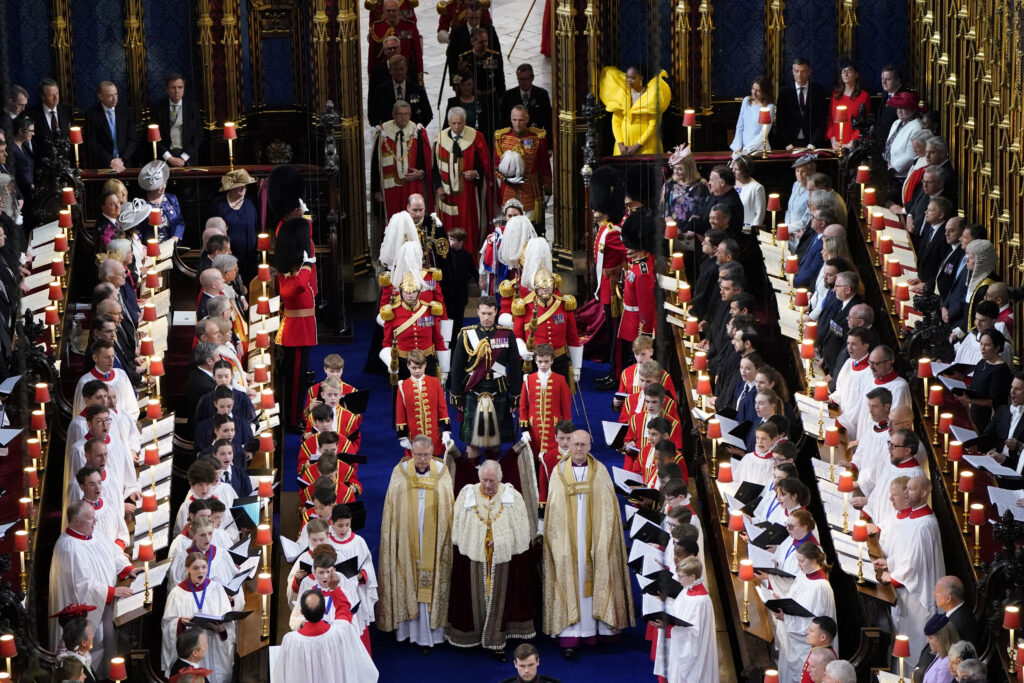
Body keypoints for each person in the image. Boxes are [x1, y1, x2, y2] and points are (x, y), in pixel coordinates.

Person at [542, 430, 634, 659]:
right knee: (569, 576)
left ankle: (598, 630)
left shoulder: (600, 471)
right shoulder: (559, 472)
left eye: (583, 444)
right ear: (569, 445)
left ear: (590, 446)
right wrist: (559, 540)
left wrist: (602, 539)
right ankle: (571, 633)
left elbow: (609, 509)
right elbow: (554, 510)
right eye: (575, 444)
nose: (579, 449)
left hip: (595, 539)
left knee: (597, 572)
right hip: (568, 539)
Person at [447, 459, 534, 657]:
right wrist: (475, 542)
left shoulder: (513, 496)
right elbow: (458, 529)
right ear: (479, 478)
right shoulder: (467, 494)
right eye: (485, 480)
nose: (488, 485)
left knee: (499, 598)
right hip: (474, 560)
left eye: (492, 481)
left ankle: (497, 639)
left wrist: (501, 542)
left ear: (500, 479)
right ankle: (473, 636)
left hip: (503, 562)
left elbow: (522, 533)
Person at [377, 435, 455, 653]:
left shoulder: (441, 472)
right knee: (409, 577)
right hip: (407, 537)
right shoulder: (400, 473)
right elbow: (392, 507)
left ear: (432, 453)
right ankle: (409, 632)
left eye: (426, 455)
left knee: (432, 579)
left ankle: (433, 632)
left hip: (434, 536)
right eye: (418, 455)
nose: (422, 459)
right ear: (411, 453)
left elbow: (448, 505)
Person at [49, 501, 138, 680]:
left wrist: (127, 569)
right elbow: (82, 586)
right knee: (93, 646)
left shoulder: (92, 532)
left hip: (105, 600)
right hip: (88, 610)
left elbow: (112, 552)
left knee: (108, 646)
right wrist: (112, 592)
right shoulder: (69, 548)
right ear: (75, 521)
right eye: (90, 519)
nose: (95, 522)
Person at [875, 476, 944, 659]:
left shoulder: (925, 524)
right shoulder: (914, 518)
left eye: (911, 489)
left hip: (916, 594)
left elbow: (916, 563)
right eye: (906, 489)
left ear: (923, 493)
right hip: (906, 590)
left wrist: (895, 577)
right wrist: (890, 563)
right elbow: (907, 551)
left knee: (911, 647)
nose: (906, 493)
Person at [449, 296, 523, 457]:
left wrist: (515, 397)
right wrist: (456, 395)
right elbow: (457, 367)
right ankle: (472, 477)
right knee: (472, 443)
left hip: (499, 389)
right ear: (477, 312)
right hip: (472, 389)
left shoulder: (507, 334)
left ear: (496, 312)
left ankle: (492, 476)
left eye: (490, 313)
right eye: (483, 313)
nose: (486, 317)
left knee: (494, 442)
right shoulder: (467, 334)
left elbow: (516, 368)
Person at [161, 552, 236, 683]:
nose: (200, 571)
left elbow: (228, 620)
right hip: (192, 649)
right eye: (196, 568)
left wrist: (222, 629)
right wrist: (179, 622)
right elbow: (167, 624)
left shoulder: (216, 589)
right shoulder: (177, 593)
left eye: (204, 567)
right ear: (188, 569)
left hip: (213, 644)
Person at [273, 590, 378, 682]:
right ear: (324, 610)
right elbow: (344, 612)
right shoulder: (338, 633)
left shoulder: (290, 640)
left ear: (302, 612)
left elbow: (280, 676)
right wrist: (334, 588)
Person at [772, 544, 836, 683]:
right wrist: (781, 600)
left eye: (801, 561)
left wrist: (786, 618)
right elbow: (794, 598)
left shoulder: (820, 587)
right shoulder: (804, 574)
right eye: (798, 560)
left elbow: (814, 625)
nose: (798, 564)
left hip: (804, 647)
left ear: (813, 560)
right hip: (792, 639)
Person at [276, 218, 318, 429]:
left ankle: (296, 415)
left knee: (299, 380)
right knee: (295, 382)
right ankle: (292, 421)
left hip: (303, 331)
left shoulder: (294, 270)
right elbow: (299, 286)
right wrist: (308, 264)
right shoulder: (289, 276)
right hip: (296, 333)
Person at [433, 106, 491, 255]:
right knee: (447, 229)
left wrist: (475, 173)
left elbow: (485, 165)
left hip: (468, 194)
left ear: (465, 122)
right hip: (447, 196)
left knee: (468, 226)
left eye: (460, 123)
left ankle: (469, 258)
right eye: (453, 123)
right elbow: (434, 169)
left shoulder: (476, 138)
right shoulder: (440, 140)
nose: (457, 127)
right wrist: (438, 187)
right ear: (448, 123)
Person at [494, 105, 552, 231]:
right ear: (510, 119)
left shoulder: (538, 138)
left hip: (531, 190)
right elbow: (495, 166)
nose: (517, 124)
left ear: (527, 119)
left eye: (521, 120)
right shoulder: (501, 138)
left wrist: (547, 189)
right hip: (508, 190)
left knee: (530, 227)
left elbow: (545, 166)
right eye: (514, 120)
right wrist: (505, 179)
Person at [372, 101, 433, 220]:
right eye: (400, 114)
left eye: (406, 114)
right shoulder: (383, 133)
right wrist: (376, 191)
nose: (403, 117)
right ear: (393, 115)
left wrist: (421, 173)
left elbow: (427, 160)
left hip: (413, 186)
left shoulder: (417, 132)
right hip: (390, 190)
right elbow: (376, 164)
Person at [598, 64, 671, 155]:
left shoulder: (651, 95)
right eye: (627, 77)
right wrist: (620, 145)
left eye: (633, 78)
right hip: (623, 148)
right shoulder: (622, 94)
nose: (629, 80)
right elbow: (616, 122)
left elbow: (654, 125)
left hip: (647, 147)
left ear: (641, 78)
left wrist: (637, 146)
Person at [395, 349, 452, 456]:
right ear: (408, 366)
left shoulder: (435, 382)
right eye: (414, 368)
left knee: (436, 465)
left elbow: (442, 408)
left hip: (434, 435)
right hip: (414, 436)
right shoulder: (402, 386)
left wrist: (445, 431)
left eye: (420, 367)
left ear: (425, 365)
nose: (417, 371)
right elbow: (400, 412)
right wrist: (402, 437)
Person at [518, 343, 572, 454]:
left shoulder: (560, 380)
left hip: (554, 429)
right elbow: (523, 406)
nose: (543, 365)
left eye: (546, 361)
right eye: (540, 361)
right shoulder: (528, 380)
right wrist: (524, 429)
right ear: (535, 361)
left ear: (552, 360)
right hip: (534, 429)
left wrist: (566, 431)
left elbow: (566, 407)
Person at [209, 169, 258, 283]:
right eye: (240, 185)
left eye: (245, 185)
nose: (244, 188)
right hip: (227, 258)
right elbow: (212, 233)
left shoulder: (251, 203)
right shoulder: (218, 205)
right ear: (231, 187)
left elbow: (257, 226)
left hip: (249, 258)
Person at [958, 329, 1011, 432]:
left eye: (987, 345)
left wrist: (969, 400)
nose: (982, 348)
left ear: (997, 348)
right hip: (975, 414)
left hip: (988, 420)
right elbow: (976, 386)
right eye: (981, 344)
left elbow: (992, 402)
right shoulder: (982, 362)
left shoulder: (1001, 370)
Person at [456, 28, 505, 135]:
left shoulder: (494, 56)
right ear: (472, 42)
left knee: (493, 127)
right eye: (481, 42)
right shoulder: (464, 58)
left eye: (486, 41)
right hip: (474, 98)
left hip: (490, 96)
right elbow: (457, 80)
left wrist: (501, 98)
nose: (484, 44)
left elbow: (500, 78)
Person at [976, 372, 1024, 474]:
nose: (1012, 392)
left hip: (1015, 471)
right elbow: (987, 437)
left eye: (1018, 389)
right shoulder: (1003, 410)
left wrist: (1019, 446)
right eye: (1012, 387)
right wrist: (973, 445)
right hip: (995, 464)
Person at [84, 81, 136, 172]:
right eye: (110, 96)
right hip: (103, 164)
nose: (114, 99)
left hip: (125, 163)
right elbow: (92, 143)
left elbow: (133, 139)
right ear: (100, 97)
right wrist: (111, 160)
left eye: (116, 94)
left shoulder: (125, 111)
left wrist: (121, 159)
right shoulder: (92, 114)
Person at [775, 58, 827, 148]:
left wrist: (813, 144)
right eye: (797, 71)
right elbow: (780, 122)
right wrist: (787, 144)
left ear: (809, 72)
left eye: (803, 71)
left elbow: (821, 122)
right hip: (789, 144)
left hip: (812, 143)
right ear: (792, 72)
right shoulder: (784, 92)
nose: (799, 75)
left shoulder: (818, 91)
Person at [154, 73, 203, 167]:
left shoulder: (192, 106)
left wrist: (183, 157)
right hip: (165, 157)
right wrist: (169, 157)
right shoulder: (157, 107)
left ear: (184, 88)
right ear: (167, 89)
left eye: (180, 87)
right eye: (173, 87)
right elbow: (154, 136)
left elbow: (199, 135)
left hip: (188, 156)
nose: (177, 91)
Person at [370, 55, 432, 126]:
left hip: (411, 133)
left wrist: (418, 129)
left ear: (406, 69)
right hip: (389, 133)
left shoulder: (417, 90)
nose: (399, 72)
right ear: (390, 71)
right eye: (395, 70)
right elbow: (374, 116)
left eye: (401, 69)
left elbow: (428, 114)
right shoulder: (381, 91)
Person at [367, 0, 424, 78]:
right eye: (388, 11)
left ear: (398, 10)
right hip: (383, 75)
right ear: (383, 10)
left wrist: (419, 75)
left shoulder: (409, 27)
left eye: (394, 10)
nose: (391, 13)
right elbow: (372, 56)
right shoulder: (377, 28)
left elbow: (417, 54)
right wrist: (371, 76)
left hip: (407, 74)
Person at [27, 78, 71, 169]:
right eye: (51, 95)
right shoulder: (32, 114)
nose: (56, 98)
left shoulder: (66, 111)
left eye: (57, 94)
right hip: (43, 168)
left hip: (65, 166)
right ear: (43, 97)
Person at [825, 63, 870, 150]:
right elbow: (830, 120)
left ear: (856, 75)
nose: (845, 74)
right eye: (843, 72)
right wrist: (833, 141)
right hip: (836, 145)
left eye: (849, 71)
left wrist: (850, 144)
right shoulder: (835, 95)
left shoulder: (864, 96)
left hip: (854, 146)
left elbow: (864, 124)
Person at [883, 91, 924, 185]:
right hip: (888, 169)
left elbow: (911, 155)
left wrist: (893, 168)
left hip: (901, 176)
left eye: (903, 108)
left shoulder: (917, 126)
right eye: (898, 107)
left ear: (913, 110)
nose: (899, 111)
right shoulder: (896, 122)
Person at [501, 64, 553, 137]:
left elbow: (548, 121)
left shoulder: (542, 95)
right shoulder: (509, 95)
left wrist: (549, 143)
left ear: (532, 78)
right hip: (515, 138)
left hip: (535, 137)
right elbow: (504, 121)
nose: (522, 82)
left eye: (525, 79)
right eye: (520, 79)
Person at [139, 160, 185, 242]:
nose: (164, 187)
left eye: (165, 183)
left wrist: (176, 237)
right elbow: (138, 230)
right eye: (160, 185)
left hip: (171, 246)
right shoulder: (141, 204)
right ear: (151, 187)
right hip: (149, 248)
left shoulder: (172, 198)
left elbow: (180, 222)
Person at [731, 76, 775, 155]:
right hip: (742, 149)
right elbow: (740, 126)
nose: (754, 92)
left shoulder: (769, 107)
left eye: (758, 91)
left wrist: (746, 150)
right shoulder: (746, 100)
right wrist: (738, 147)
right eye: (753, 89)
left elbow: (763, 134)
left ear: (765, 91)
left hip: (759, 149)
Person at [918, 614, 957, 683]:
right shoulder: (941, 653)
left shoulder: (947, 664)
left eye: (930, 638)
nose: (927, 641)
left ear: (942, 638)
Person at [730, 154, 765, 227]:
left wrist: (752, 231)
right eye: (733, 168)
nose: (733, 171)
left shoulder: (757, 188)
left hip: (747, 229)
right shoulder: (731, 184)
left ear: (744, 170)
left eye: (736, 169)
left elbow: (760, 214)